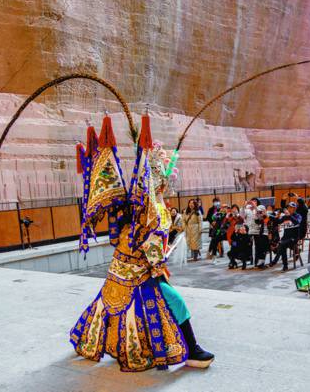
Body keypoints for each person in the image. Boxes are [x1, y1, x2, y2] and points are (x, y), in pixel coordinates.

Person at [70, 116, 214, 370]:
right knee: (173, 302)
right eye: (160, 178)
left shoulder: (154, 208)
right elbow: (147, 243)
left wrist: (159, 259)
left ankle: (89, 339)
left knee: (108, 305)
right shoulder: (145, 209)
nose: (163, 183)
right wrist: (158, 261)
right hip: (137, 272)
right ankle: (192, 350)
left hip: (135, 270)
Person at [270, 203, 301, 271]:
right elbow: (277, 222)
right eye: (288, 207)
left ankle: (276, 261)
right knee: (282, 245)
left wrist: (289, 216)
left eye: (291, 208)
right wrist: (277, 215)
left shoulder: (298, 216)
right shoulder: (285, 217)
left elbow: (297, 222)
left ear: (295, 209)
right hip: (285, 238)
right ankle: (284, 266)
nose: (289, 209)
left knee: (281, 245)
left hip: (294, 238)